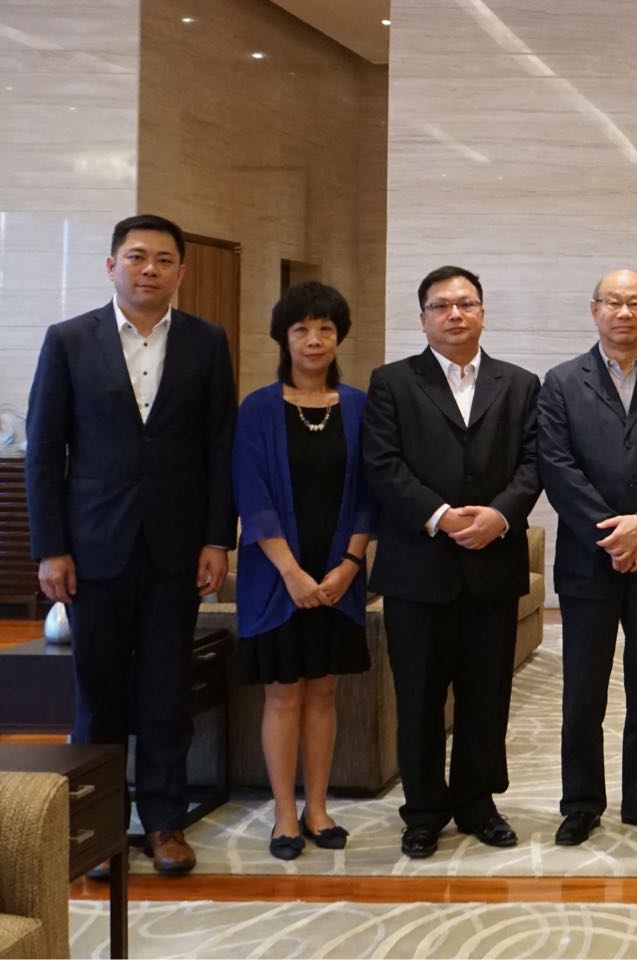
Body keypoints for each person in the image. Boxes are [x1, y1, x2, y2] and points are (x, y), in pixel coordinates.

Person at [25, 213, 235, 876]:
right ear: (111, 265)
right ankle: (100, 826)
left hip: (177, 545)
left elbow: (219, 447)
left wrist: (217, 538)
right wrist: (50, 547)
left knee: (166, 688)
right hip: (93, 546)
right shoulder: (68, 340)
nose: (150, 269)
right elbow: (45, 449)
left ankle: (165, 822)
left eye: (164, 259)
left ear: (181, 271)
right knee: (99, 691)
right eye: (137, 256)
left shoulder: (207, 341)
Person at [362, 265, 542, 859]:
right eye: (441, 306)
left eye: (466, 303)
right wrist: (440, 515)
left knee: (486, 695)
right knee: (418, 697)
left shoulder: (520, 384)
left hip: (492, 564)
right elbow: (382, 463)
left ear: (483, 313)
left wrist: (500, 516)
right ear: (423, 319)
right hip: (419, 567)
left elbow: (534, 463)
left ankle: (477, 803)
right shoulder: (392, 382)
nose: (455, 314)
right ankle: (422, 812)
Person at [538, 269, 637, 846]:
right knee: (583, 690)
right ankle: (581, 803)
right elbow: (556, 466)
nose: (624, 312)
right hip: (588, 561)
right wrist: (613, 536)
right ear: (594, 309)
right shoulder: (561, 383)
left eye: (635, 303)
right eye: (613, 302)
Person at [231, 282, 376, 861]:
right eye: (301, 329)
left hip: (339, 577)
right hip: (277, 579)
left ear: (339, 337)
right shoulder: (259, 408)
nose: (314, 340)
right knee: (283, 694)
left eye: (325, 329)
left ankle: (317, 807)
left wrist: (349, 565)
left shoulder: (360, 406)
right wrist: (291, 573)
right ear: (284, 338)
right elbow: (252, 494)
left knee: (324, 692)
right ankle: (284, 815)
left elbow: (369, 495)